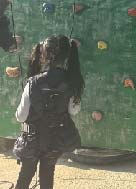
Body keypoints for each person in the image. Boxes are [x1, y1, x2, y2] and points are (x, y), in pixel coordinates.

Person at [13, 35, 84, 189]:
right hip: (55, 140)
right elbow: (73, 111)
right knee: (47, 174)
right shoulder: (72, 82)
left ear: (43, 53)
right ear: (67, 55)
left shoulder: (32, 82)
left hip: (31, 141)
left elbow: (21, 116)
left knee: (25, 176)